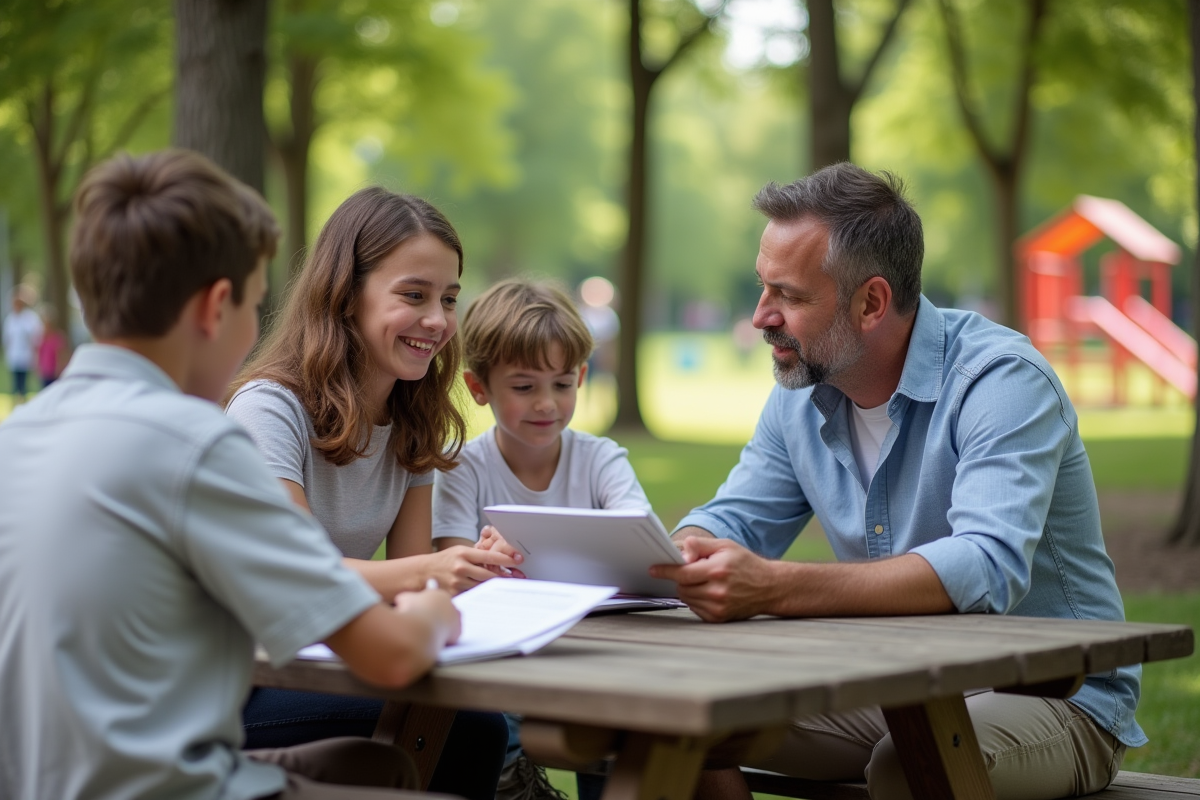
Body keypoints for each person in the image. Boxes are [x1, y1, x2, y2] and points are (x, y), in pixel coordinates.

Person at [650, 163, 1138, 800]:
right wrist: (678, 554)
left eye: (789, 296)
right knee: (676, 721)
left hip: (1057, 700)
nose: (760, 317)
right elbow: (734, 518)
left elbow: (986, 565)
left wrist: (774, 585)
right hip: (896, 690)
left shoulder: (1002, 381)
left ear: (871, 302)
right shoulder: (801, 393)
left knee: (910, 767)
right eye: (763, 289)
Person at [0, 149, 462, 800]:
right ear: (217, 307)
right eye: (252, 305)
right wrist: (437, 612)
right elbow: (389, 652)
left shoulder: (15, 435)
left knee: (381, 767)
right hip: (171, 786)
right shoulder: (194, 444)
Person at [224, 187, 513, 800]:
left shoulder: (412, 418)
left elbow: (410, 575)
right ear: (345, 294)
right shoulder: (270, 408)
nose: (437, 320)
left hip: (334, 662)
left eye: (449, 299)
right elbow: (298, 575)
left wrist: (464, 570)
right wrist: (432, 569)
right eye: (414, 295)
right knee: (471, 728)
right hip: (240, 685)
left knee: (473, 722)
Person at [432, 278, 656, 800]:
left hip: (597, 655)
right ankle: (516, 786)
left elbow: (647, 549)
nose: (547, 404)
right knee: (496, 724)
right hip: (504, 658)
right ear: (479, 388)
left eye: (561, 383)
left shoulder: (600, 458)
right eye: (524, 386)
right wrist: (479, 560)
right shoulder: (462, 466)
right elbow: (449, 567)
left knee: (624, 728)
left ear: (581, 376)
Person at [3, 284, 43, 403]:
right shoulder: (10, 319)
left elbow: (36, 337)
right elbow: (7, 338)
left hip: (26, 355)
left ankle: (23, 401)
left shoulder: (30, 318)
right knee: (15, 383)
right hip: (14, 356)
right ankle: (15, 402)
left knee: (24, 383)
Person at [36, 308, 67, 388]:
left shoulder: (57, 337)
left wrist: (59, 368)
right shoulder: (42, 338)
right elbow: (39, 352)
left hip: (54, 372)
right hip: (45, 370)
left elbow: (61, 354)